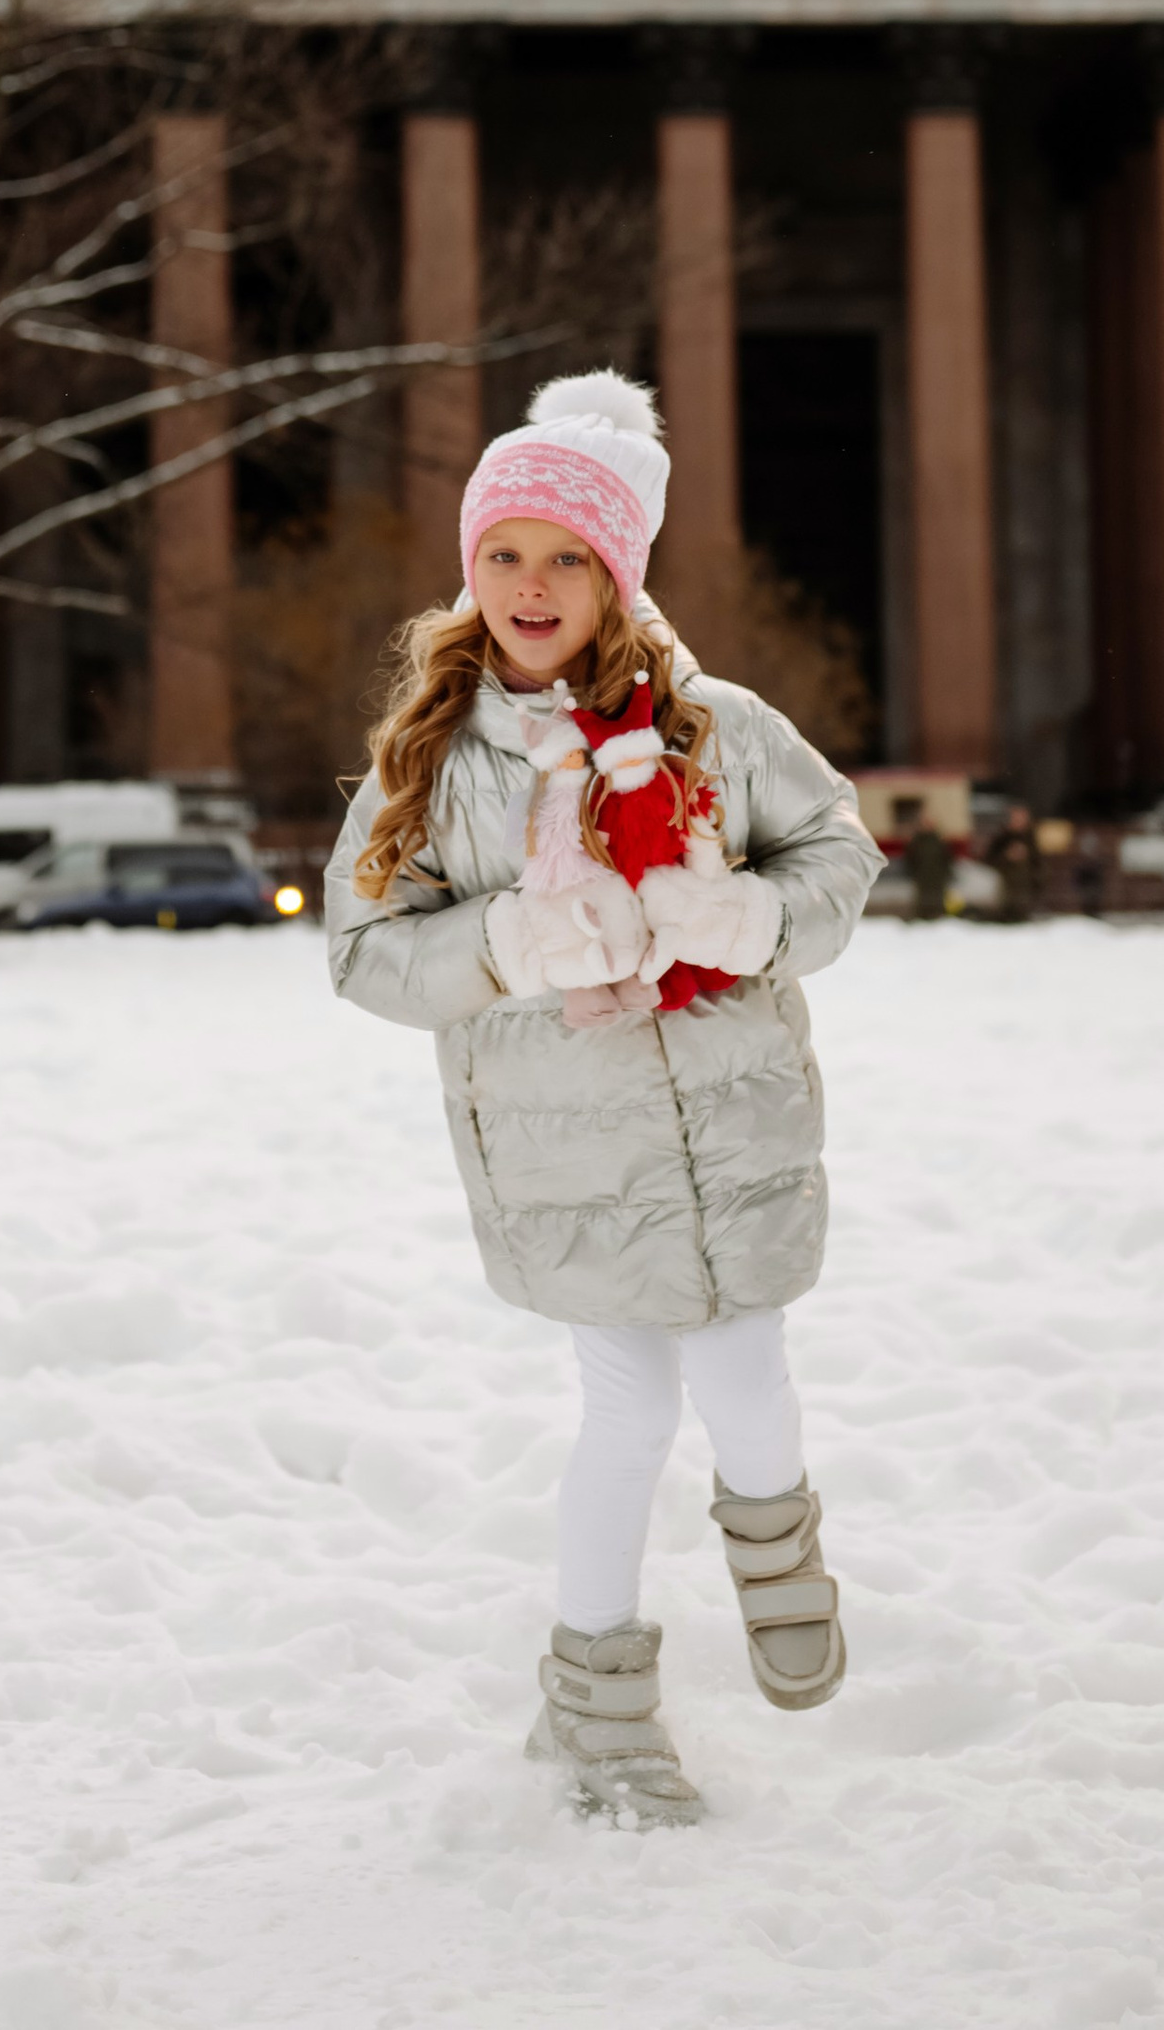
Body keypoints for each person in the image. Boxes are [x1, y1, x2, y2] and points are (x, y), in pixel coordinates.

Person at [326, 370, 882, 1828]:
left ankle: (778, 1554)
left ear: (618, 571)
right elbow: (364, 946)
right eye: (503, 550)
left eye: (566, 553)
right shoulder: (436, 756)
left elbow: (838, 854)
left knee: (749, 1371)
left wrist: (748, 917)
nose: (530, 582)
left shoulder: (718, 728)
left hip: (734, 1126)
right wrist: (505, 941)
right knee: (627, 1406)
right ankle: (595, 1698)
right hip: (571, 1156)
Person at [902, 810, 951, 922]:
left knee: (938, 899)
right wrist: (913, 872)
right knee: (922, 899)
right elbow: (910, 859)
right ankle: (922, 918)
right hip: (922, 877)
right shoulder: (917, 841)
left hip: (937, 877)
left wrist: (946, 873)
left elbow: (947, 858)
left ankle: (938, 918)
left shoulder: (939, 840)